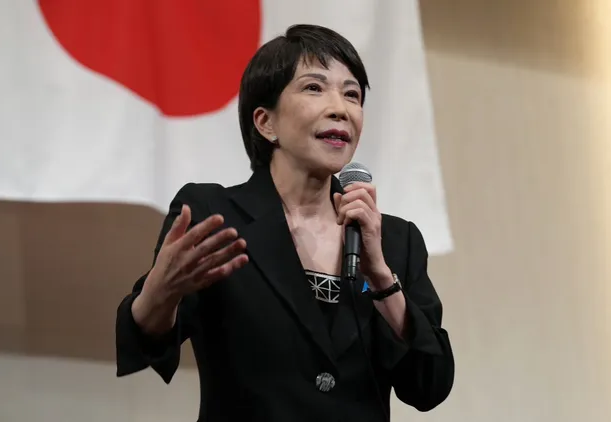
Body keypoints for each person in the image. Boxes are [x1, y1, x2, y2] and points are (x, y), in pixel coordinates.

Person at [115, 24, 455, 421]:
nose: (340, 109)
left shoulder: (394, 240)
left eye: (352, 95)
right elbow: (147, 342)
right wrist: (160, 293)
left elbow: (430, 384)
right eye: (314, 88)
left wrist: (381, 280)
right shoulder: (215, 215)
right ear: (266, 123)